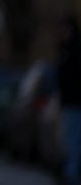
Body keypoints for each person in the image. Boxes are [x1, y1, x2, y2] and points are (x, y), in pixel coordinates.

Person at [57, 14, 81, 185]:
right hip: (69, 101)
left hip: (74, 101)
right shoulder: (65, 49)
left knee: (73, 141)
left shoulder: (72, 50)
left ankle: (71, 176)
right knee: (72, 141)